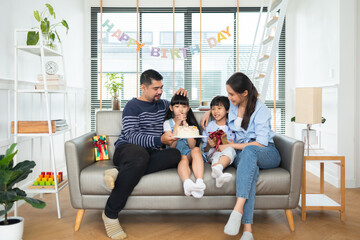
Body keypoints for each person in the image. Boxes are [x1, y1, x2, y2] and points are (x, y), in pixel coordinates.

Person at [102, 69, 186, 240]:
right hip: (127, 149)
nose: (160, 91)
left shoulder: (163, 105)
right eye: (156, 88)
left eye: (161, 87)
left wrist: (184, 98)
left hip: (148, 154)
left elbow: (182, 110)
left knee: (175, 154)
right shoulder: (132, 106)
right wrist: (160, 139)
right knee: (140, 156)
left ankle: (119, 172)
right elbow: (133, 136)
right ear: (143, 87)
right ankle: (110, 213)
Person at [201, 72, 281, 240]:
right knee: (249, 169)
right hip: (244, 154)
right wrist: (209, 112)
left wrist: (230, 145)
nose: (229, 97)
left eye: (231, 94)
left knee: (249, 152)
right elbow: (219, 108)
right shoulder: (233, 106)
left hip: (266, 152)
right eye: (228, 93)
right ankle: (247, 231)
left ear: (244, 93)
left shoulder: (260, 110)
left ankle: (237, 209)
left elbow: (261, 143)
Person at [163, 94, 206, 198]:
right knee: (183, 157)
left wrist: (186, 128)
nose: (180, 110)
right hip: (174, 154)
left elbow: (191, 146)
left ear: (188, 108)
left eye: (183, 107)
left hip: (187, 152)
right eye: (177, 107)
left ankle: (200, 183)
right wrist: (177, 125)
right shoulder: (167, 123)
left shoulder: (190, 123)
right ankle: (187, 183)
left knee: (196, 149)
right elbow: (172, 146)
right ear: (171, 108)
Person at [202, 96, 236, 188]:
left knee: (230, 149)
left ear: (227, 110)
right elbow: (205, 150)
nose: (216, 111)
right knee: (216, 154)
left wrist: (232, 144)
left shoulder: (233, 126)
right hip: (212, 152)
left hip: (227, 152)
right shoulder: (208, 127)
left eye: (219, 108)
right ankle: (219, 170)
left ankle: (218, 174)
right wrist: (209, 145)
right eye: (213, 109)